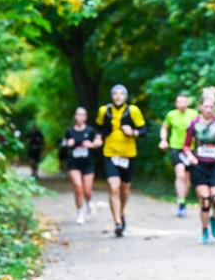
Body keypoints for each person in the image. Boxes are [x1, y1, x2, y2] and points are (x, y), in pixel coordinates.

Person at [96, 84, 147, 237]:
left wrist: (134, 132)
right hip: (110, 153)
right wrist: (98, 137)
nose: (118, 97)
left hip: (128, 154)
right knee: (114, 188)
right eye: (115, 94)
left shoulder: (133, 110)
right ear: (111, 96)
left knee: (125, 189)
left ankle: (121, 212)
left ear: (125, 96)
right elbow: (98, 127)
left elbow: (144, 130)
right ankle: (117, 222)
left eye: (121, 94)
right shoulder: (104, 111)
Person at [182, 87, 215, 245]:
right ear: (200, 107)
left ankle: (214, 219)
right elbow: (186, 146)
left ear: (214, 108)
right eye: (206, 106)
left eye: (211, 107)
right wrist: (190, 156)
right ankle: (204, 230)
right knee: (205, 200)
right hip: (200, 165)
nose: (208, 110)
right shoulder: (194, 124)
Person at [159, 93, 199, 217]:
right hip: (176, 148)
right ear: (176, 104)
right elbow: (164, 128)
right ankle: (181, 201)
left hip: (190, 150)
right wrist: (163, 139)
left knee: (187, 178)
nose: (181, 104)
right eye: (179, 102)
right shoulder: (171, 114)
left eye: (184, 102)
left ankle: (183, 200)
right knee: (180, 172)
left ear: (187, 103)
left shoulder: (194, 114)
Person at [64, 107, 103, 225]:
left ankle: (89, 201)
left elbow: (98, 141)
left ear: (85, 117)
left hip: (87, 163)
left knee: (87, 191)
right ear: (75, 117)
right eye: (78, 115)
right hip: (74, 163)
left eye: (82, 115)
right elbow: (64, 143)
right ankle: (80, 212)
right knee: (77, 187)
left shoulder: (91, 131)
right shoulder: (70, 131)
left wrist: (92, 144)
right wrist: (67, 143)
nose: (80, 117)